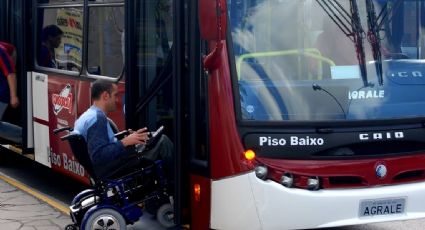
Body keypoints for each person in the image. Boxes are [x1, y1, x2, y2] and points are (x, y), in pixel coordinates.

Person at [73, 79, 173, 179]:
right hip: (116, 166)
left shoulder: (88, 115)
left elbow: (103, 144)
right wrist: (125, 142)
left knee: (151, 137)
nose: (117, 100)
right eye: (115, 95)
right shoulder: (97, 119)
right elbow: (98, 156)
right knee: (163, 141)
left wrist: (127, 138)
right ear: (106, 96)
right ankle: (175, 186)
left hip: (113, 163)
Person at [0, 42, 21, 143]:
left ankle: (24, 137)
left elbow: (11, 73)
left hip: (1, 94)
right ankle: (24, 137)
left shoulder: (1, 50)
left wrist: (13, 96)